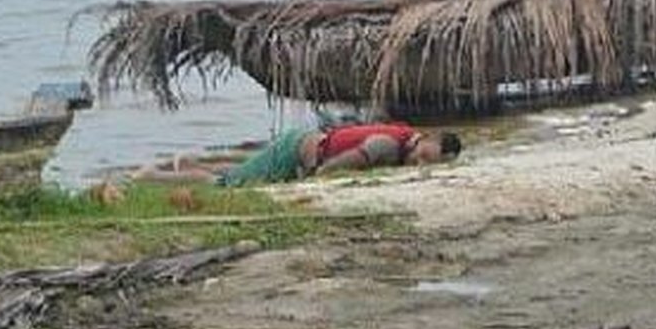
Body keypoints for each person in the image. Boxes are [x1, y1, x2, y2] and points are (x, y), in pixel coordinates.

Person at [132, 122, 462, 187]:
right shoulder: (386, 146)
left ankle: (188, 163)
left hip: (303, 142)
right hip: (299, 151)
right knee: (232, 183)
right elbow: (329, 169)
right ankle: (152, 176)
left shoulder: (405, 140)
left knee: (252, 167)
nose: (420, 163)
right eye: (424, 156)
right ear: (425, 140)